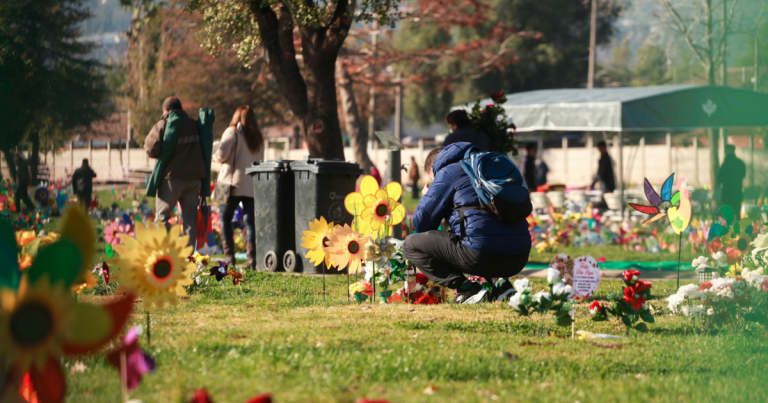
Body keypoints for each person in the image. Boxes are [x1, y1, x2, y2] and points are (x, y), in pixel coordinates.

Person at [403, 143, 531, 304]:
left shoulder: (447, 172)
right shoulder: (487, 168)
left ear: (433, 170)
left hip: (481, 254)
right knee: (482, 231)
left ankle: (467, 289)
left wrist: (428, 196)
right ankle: (502, 286)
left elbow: (422, 224)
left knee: (410, 244)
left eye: (431, 179)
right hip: (519, 255)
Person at [144, 96, 206, 247]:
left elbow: (150, 149)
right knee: (190, 220)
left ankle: (166, 252)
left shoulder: (163, 124)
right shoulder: (194, 124)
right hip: (193, 180)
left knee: (162, 217)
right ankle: (189, 258)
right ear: (181, 108)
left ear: (166, 110)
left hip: (171, 180)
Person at [213, 106, 264, 269]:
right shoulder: (257, 136)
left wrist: (214, 153)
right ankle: (251, 259)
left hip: (230, 184)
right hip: (251, 185)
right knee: (250, 222)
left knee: (225, 218)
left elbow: (221, 155)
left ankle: (229, 257)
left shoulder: (232, 132)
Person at [717, 144, 746, 217]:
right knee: (737, 213)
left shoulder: (725, 164)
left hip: (727, 193)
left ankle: (729, 227)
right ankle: (738, 227)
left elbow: (719, 178)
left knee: (728, 215)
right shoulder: (740, 163)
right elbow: (743, 175)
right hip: (737, 192)